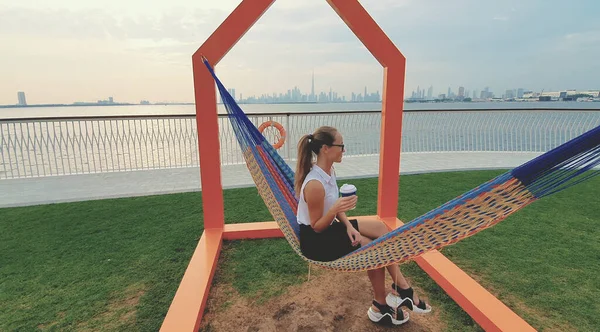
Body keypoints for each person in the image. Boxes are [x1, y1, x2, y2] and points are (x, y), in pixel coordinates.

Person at [294, 126, 432, 326]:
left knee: (380, 229)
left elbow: (333, 205)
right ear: (325, 148)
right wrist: (336, 210)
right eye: (341, 146)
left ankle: (400, 290)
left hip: (328, 228)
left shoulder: (328, 170)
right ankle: (383, 304)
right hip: (315, 241)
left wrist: (349, 226)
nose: (344, 150)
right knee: (371, 248)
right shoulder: (315, 184)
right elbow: (316, 226)